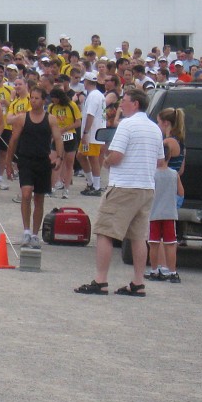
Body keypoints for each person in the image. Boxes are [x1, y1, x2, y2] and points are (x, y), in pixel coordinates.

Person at [75, 87, 164, 297]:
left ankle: (101, 280)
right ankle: (138, 282)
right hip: (146, 187)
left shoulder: (127, 125)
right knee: (138, 236)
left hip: (124, 185)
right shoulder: (155, 128)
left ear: (134, 104)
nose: (120, 105)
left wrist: (105, 160)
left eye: (124, 100)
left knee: (105, 231)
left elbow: (116, 156)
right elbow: (160, 160)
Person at [6, 88, 65, 248]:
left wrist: (59, 157)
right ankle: (26, 231)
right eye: (31, 98)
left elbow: (58, 139)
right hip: (25, 160)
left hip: (43, 162)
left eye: (37, 98)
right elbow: (13, 141)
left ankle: (34, 234)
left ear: (44, 100)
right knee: (26, 194)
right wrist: (8, 163)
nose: (33, 101)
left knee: (39, 199)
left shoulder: (51, 119)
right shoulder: (22, 118)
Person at [145, 144, 184, 283]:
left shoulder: (152, 174)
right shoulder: (174, 174)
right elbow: (181, 192)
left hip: (154, 214)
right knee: (170, 244)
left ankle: (154, 270)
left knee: (154, 243)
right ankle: (172, 272)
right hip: (169, 214)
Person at [47, 87, 81, 199]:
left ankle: (66, 189)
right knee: (54, 162)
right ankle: (52, 187)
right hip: (57, 137)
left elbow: (78, 122)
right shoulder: (51, 107)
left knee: (69, 163)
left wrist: (65, 129)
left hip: (70, 136)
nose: (54, 101)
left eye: (55, 99)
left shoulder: (72, 105)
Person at [78, 71, 106, 196]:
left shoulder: (94, 96)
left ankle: (96, 185)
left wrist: (86, 132)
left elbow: (91, 115)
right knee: (82, 155)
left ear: (87, 82)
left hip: (92, 134)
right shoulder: (96, 95)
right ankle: (91, 182)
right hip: (93, 133)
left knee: (92, 158)